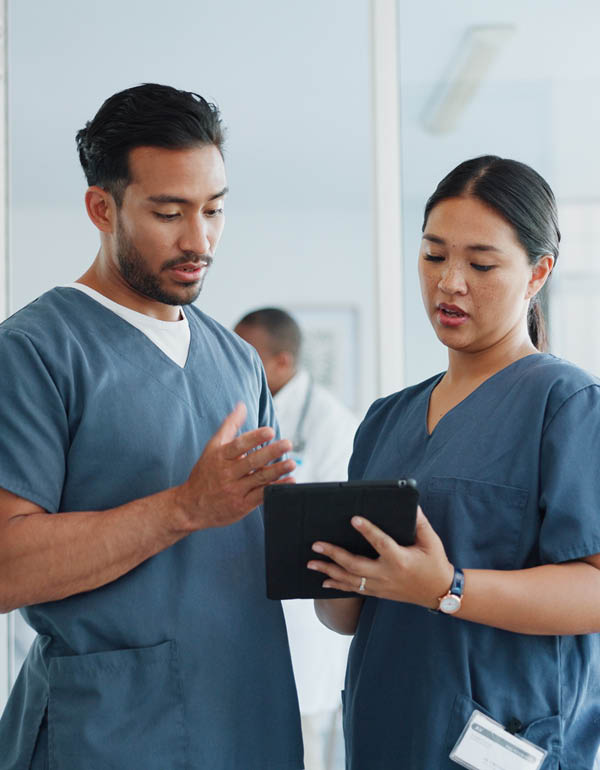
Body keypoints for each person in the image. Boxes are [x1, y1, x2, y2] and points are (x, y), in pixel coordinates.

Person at [0, 83, 303, 770]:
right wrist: (182, 509)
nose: (199, 239)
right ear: (101, 208)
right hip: (110, 734)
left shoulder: (238, 361)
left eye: (214, 210)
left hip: (247, 717)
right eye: (169, 212)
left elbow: (264, 541)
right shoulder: (35, 352)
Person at [309, 156, 600, 768]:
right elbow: (347, 616)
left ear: (538, 273)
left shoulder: (566, 404)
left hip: (507, 740)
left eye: (481, 263)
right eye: (434, 255)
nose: (450, 283)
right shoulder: (387, 419)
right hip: (388, 729)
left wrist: (448, 589)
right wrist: (326, 569)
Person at [235, 308, 357, 770]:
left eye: (250, 355)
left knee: (304, 752)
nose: (237, 363)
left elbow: (327, 525)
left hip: (307, 624)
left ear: (282, 362)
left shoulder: (330, 424)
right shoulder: (243, 409)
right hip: (247, 609)